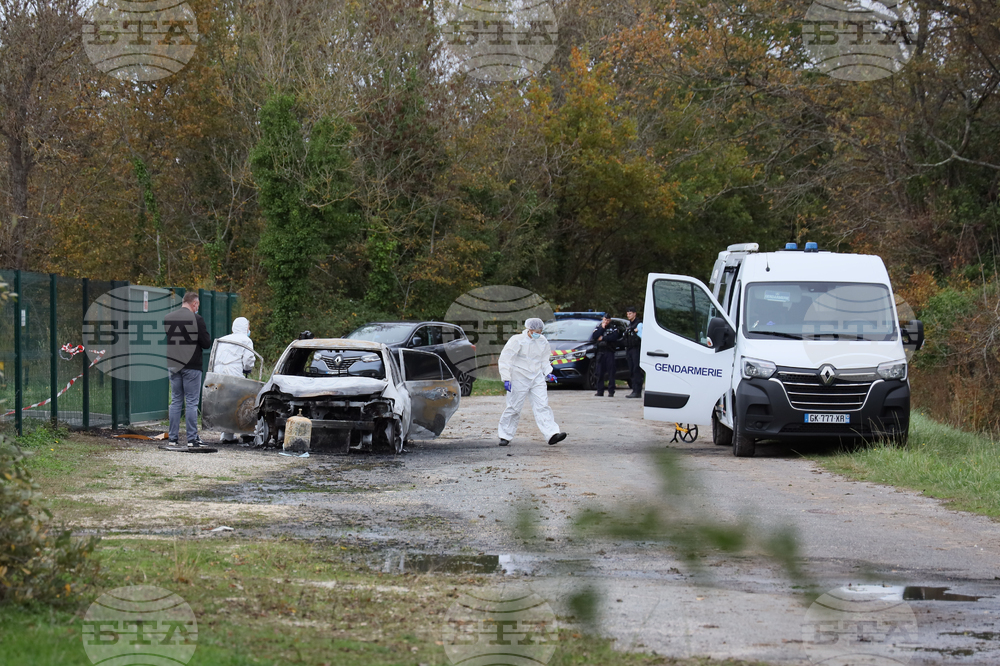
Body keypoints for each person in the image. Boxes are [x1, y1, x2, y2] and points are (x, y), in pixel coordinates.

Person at [497, 317, 567, 447]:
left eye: (540, 332)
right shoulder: (517, 340)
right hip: (519, 376)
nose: (538, 334)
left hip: (536, 377)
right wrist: (506, 378)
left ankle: (551, 434)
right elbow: (506, 359)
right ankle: (505, 435)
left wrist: (548, 373)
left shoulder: (542, 341)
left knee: (542, 405)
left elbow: (544, 360)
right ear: (528, 329)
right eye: (536, 331)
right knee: (514, 407)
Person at [164, 291, 212, 447]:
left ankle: (172, 438)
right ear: (195, 304)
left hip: (173, 363)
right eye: (197, 305)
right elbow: (206, 343)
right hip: (191, 365)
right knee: (191, 402)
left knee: (176, 400)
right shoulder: (197, 319)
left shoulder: (168, 318)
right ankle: (192, 439)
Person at [214, 317, 256, 443]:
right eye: (248, 327)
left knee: (225, 402)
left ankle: (227, 435)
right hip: (234, 371)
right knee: (241, 401)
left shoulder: (223, 339)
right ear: (245, 328)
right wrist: (247, 369)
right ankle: (246, 432)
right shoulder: (246, 340)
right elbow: (248, 360)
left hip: (217, 373)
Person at [590, 314, 622, 396]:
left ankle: (611, 391)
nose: (606, 322)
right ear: (603, 319)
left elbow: (614, 337)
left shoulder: (613, 327)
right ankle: (600, 391)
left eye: (608, 320)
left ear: (610, 320)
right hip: (601, 352)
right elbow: (594, 336)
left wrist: (603, 338)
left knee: (611, 372)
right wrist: (602, 328)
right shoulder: (599, 327)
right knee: (599, 372)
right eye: (605, 320)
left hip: (609, 352)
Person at [624, 306, 644, 398]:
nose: (629, 315)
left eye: (630, 313)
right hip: (629, 349)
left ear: (635, 314)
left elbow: (642, 337)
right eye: (627, 314)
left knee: (636, 370)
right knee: (631, 369)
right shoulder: (629, 325)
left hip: (636, 349)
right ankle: (634, 390)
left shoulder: (639, 324)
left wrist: (636, 331)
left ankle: (637, 391)